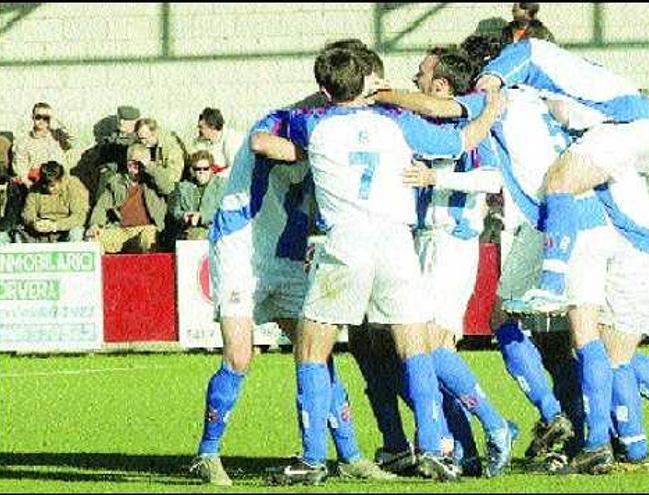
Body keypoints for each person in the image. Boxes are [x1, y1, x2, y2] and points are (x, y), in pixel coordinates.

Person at [253, 46, 503, 484]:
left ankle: (313, 458)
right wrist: (490, 113)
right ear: (371, 80)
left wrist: (311, 147)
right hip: (395, 242)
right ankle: (434, 450)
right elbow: (460, 140)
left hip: (346, 242)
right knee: (415, 346)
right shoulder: (397, 121)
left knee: (312, 348)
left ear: (325, 88)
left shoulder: (312, 123)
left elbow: (262, 141)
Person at [472, 25, 649, 472]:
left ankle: (629, 451)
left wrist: (496, 84)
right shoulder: (605, 148)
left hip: (641, 255)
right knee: (615, 349)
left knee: (607, 353)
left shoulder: (584, 146)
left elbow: (536, 78)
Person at [190, 132, 392, 487]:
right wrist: (322, 146)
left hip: (286, 257)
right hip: (240, 252)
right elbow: (260, 143)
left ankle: (351, 456)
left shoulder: (334, 153)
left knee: (317, 353)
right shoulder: (284, 127)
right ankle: (207, 454)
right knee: (239, 356)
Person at [373, 45, 519, 478]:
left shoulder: (475, 127)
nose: (416, 80)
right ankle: (464, 449)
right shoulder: (422, 127)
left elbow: (493, 179)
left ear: (440, 85)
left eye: (421, 74)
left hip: (452, 243)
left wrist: (437, 177)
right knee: (424, 351)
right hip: (423, 243)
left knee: (429, 347)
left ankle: (494, 423)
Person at [86, 144, 172, 254]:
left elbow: (168, 187)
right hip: (122, 230)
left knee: (148, 236)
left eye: (138, 162)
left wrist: (149, 166)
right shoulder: (116, 181)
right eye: (131, 161)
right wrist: (95, 224)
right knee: (94, 238)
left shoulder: (153, 180)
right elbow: (101, 206)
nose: (134, 165)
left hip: (146, 228)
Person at [20, 161, 89, 243]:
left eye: (53, 186)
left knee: (76, 232)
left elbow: (79, 217)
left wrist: (55, 225)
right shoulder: (36, 188)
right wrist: (34, 223)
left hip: (66, 228)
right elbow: (27, 213)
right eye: (45, 185)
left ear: (60, 179)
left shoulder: (73, 186)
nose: (49, 189)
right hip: (41, 230)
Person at [13, 103, 76, 187]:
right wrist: (32, 187)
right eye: (38, 117)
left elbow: (73, 139)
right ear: (33, 117)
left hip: (60, 182)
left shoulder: (58, 136)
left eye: (46, 118)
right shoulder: (23, 141)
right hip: (37, 184)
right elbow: (21, 169)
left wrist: (57, 120)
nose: (42, 121)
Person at [168, 151, 226, 241]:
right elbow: (175, 210)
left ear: (211, 169)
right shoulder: (183, 187)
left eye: (205, 169)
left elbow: (225, 212)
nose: (201, 172)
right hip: (188, 233)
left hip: (214, 233)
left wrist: (202, 216)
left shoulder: (222, 186)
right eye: (197, 169)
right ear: (192, 170)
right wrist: (183, 215)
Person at [190, 107, 245, 175]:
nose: (199, 130)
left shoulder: (232, 139)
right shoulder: (201, 141)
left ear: (212, 127)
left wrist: (214, 177)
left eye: (201, 127)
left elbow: (236, 169)